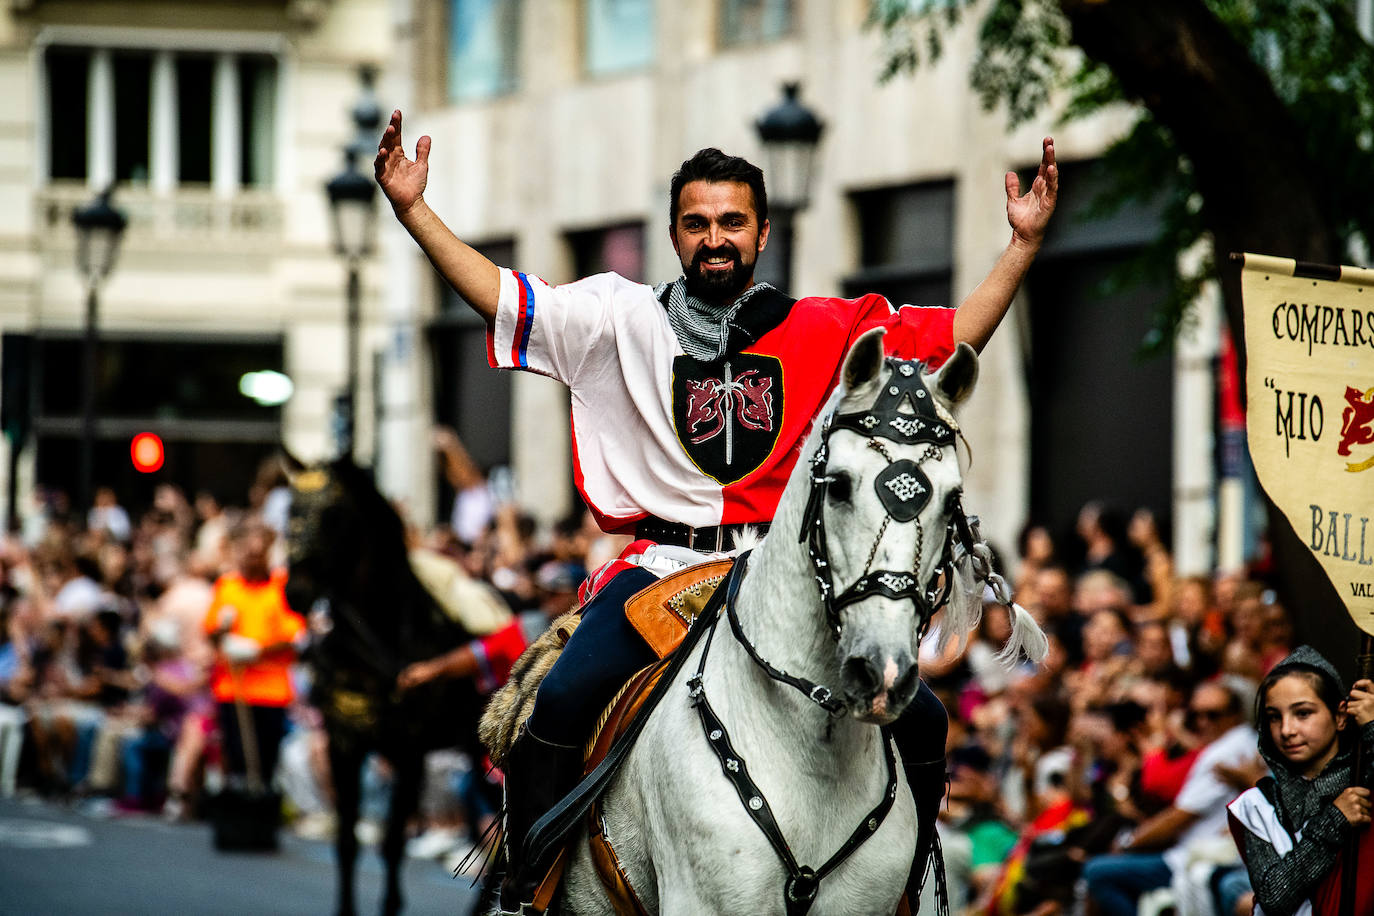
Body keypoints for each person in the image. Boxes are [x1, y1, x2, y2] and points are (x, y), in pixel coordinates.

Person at [374, 108, 1059, 907]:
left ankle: (916, 882)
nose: (715, 237)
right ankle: (530, 886)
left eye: (732, 221)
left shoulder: (827, 327)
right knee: (557, 702)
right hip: (660, 569)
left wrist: (1022, 248)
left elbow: (951, 345)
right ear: (674, 234)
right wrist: (416, 212)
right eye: (696, 223)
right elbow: (501, 296)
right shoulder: (615, 319)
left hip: (786, 566)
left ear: (762, 232)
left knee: (925, 720)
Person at [1081, 680, 1256, 916]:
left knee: (1096, 871)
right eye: (1195, 715)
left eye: (1212, 715)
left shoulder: (1228, 749)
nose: (1202, 722)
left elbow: (1172, 805)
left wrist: (1129, 842)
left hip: (1195, 856)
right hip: (1185, 848)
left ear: (1235, 715)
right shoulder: (1220, 745)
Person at [1227, 646, 1374, 916]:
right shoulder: (1258, 806)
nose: (1287, 730)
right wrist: (1335, 820)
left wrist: (1373, 729)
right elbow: (1274, 897)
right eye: (1274, 717)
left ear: (1340, 716)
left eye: (1303, 713)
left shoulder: (1366, 781)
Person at [202, 522, 305, 791]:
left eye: (258, 553)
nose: (251, 558)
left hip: (270, 689)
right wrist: (222, 634)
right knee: (235, 756)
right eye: (246, 552)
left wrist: (255, 651)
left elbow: (294, 636)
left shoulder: (281, 587)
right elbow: (211, 631)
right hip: (233, 687)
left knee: (265, 758)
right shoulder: (227, 586)